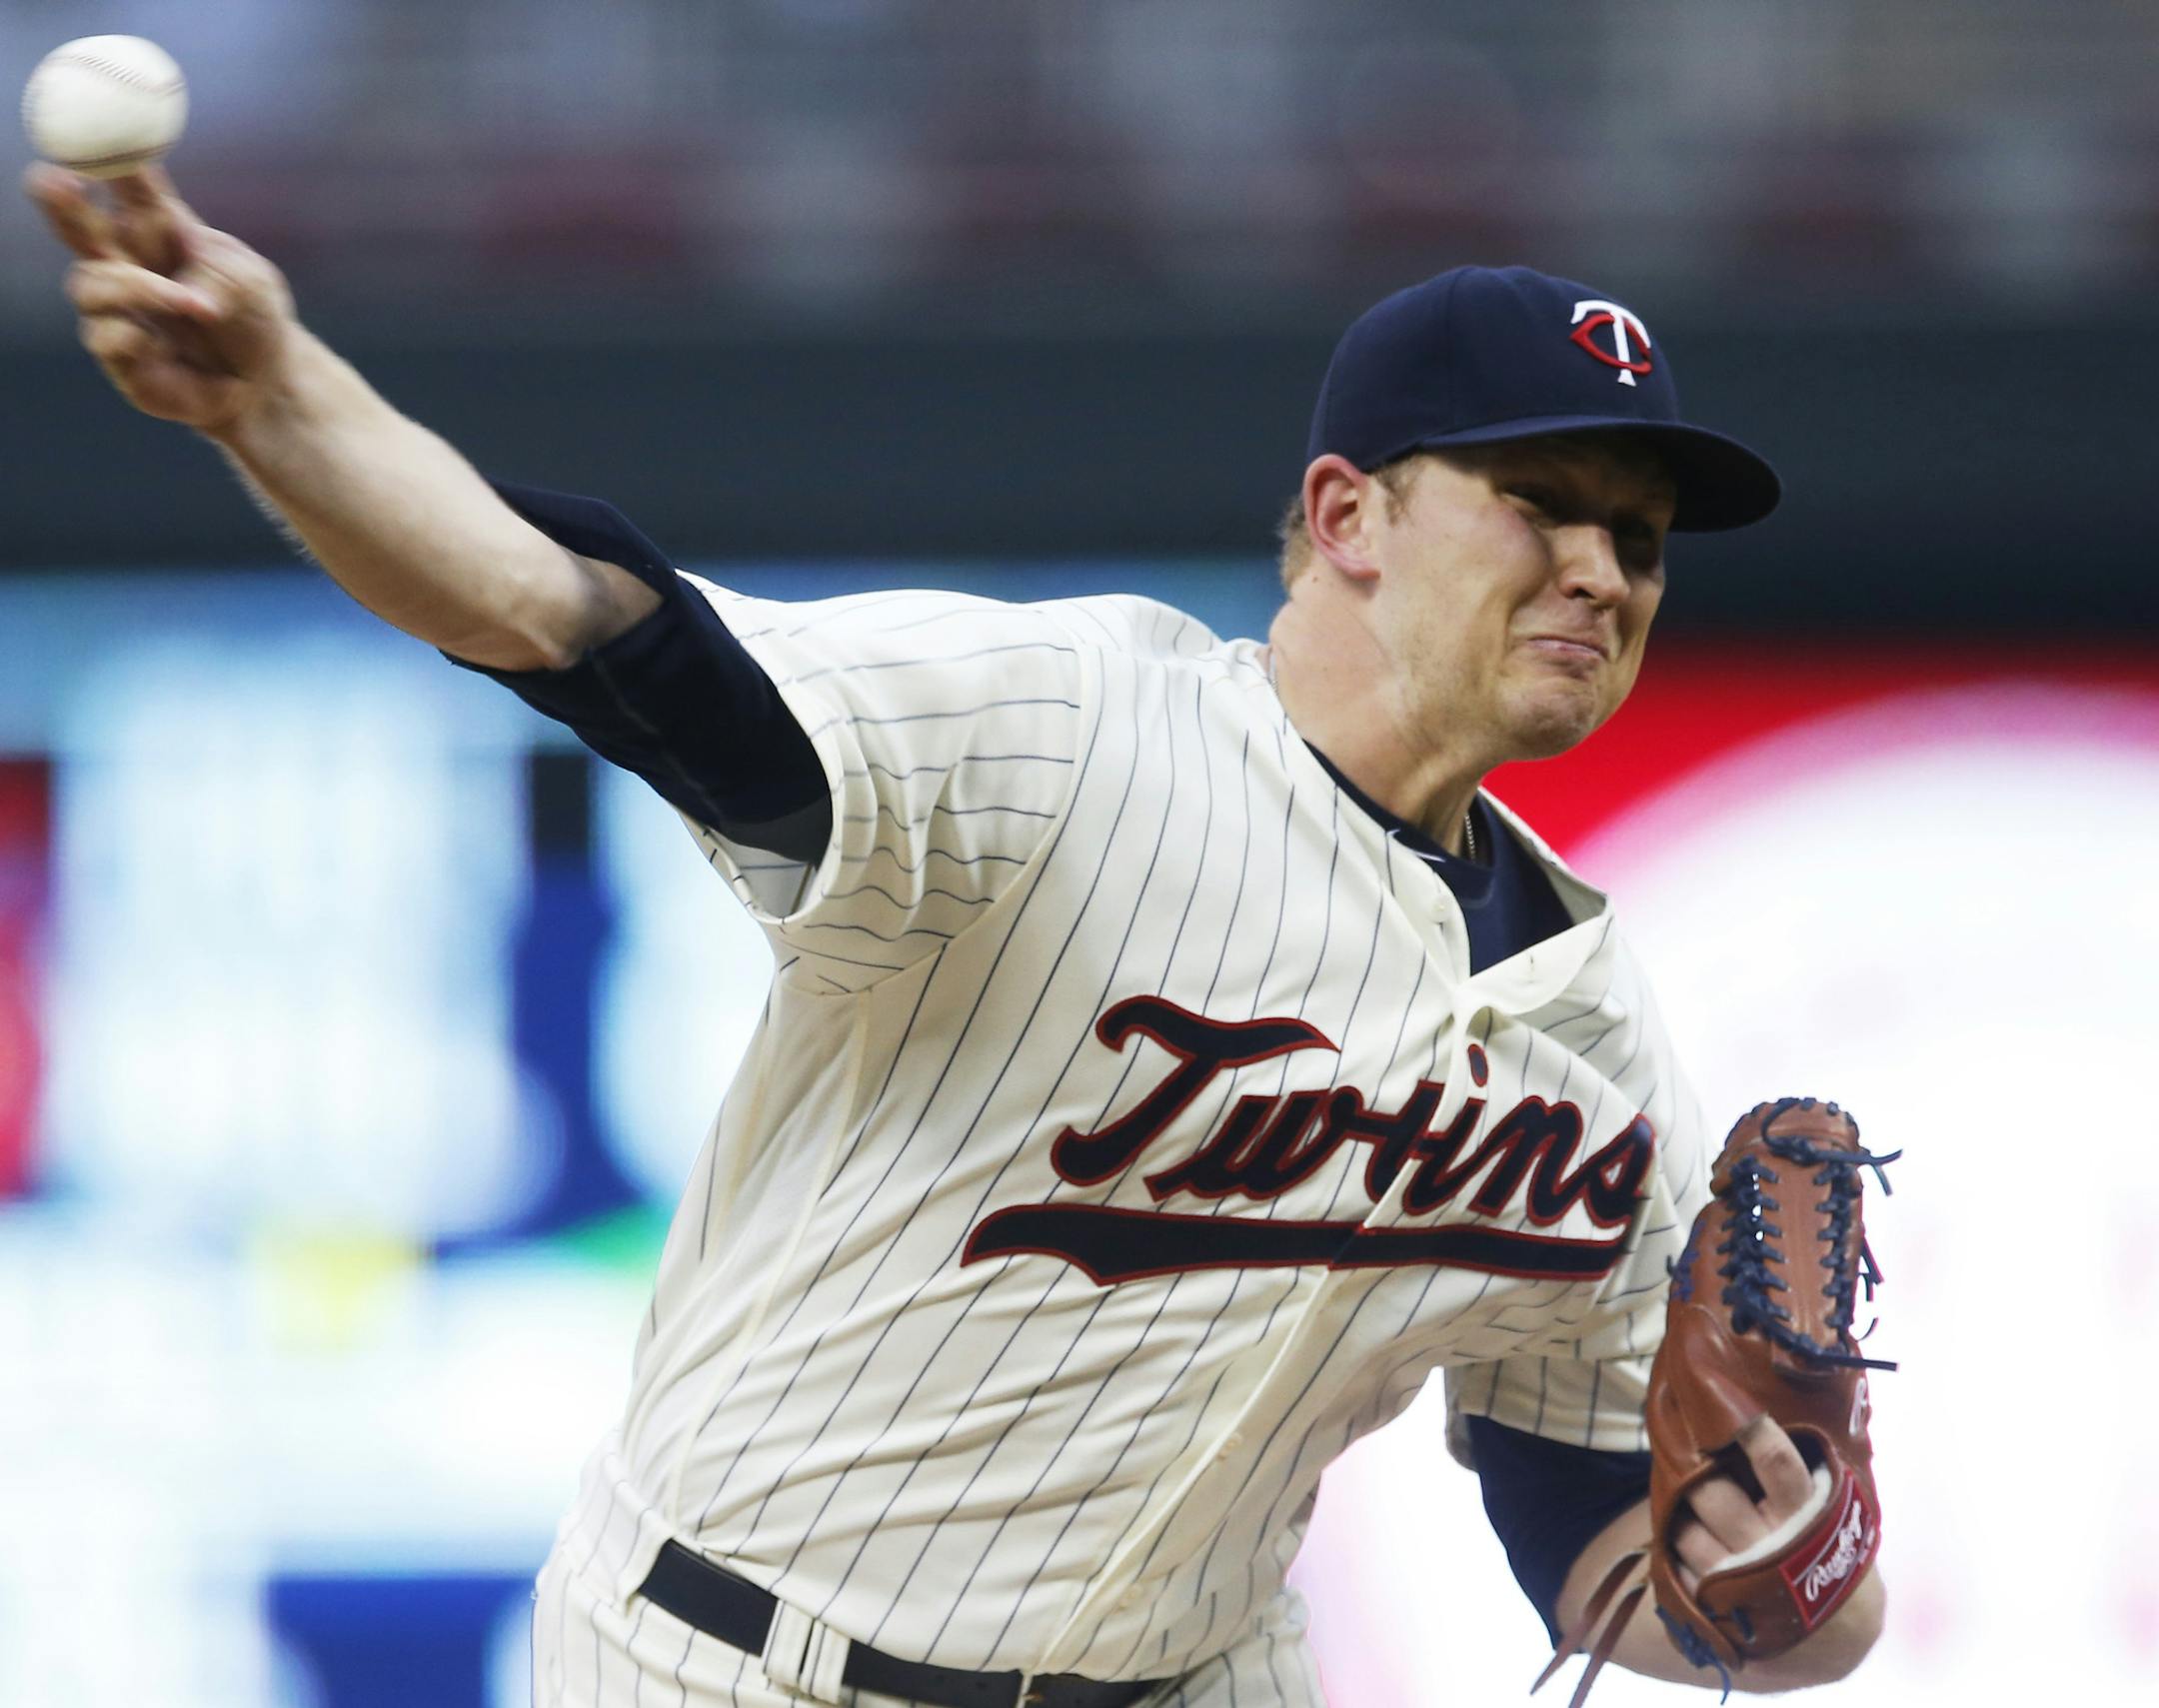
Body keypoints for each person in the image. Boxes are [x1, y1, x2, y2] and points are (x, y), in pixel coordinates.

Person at [27, 162, 1885, 1706]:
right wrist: (276, 401)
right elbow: (569, 612)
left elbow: (1595, 1552)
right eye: (1543, 505)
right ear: (1349, 516)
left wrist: (1798, 1585)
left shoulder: (1599, 1035)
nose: (1603, 571)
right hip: (735, 1657)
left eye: (1640, 539)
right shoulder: (1066, 731)